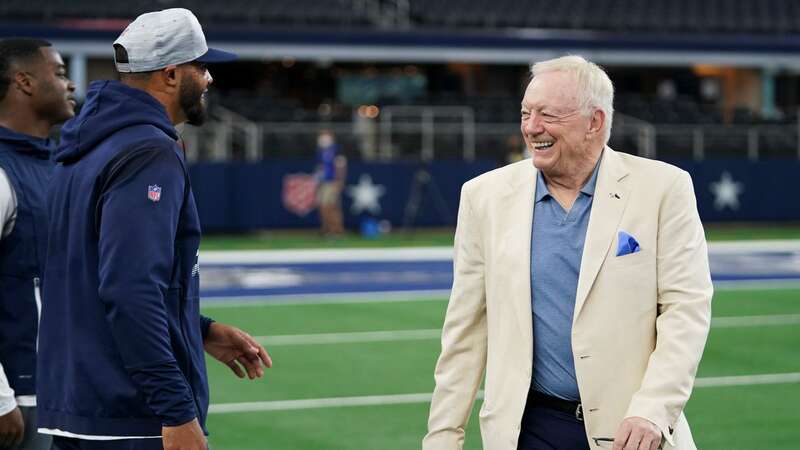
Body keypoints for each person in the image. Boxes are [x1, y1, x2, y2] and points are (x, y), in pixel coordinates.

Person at [423, 55, 712, 450]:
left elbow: (686, 310)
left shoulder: (664, 189)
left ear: (594, 122)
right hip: (529, 430)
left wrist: (654, 409)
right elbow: (465, 330)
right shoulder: (483, 197)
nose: (531, 127)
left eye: (547, 115)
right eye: (525, 113)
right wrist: (443, 436)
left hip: (631, 431)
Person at [36, 9, 272, 450]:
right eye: (200, 67)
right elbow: (130, 289)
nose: (208, 79)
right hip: (129, 415)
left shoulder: (86, 143)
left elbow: (90, 274)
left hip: (80, 405)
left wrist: (197, 329)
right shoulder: (147, 150)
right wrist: (176, 410)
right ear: (169, 74)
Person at [0, 37, 76, 450]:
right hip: (18, 397)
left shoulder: (58, 164)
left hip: (62, 389)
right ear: (24, 82)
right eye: (60, 73)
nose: (71, 85)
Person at [315, 130, 346, 236]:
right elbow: (320, 168)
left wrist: (339, 181)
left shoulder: (336, 150)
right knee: (322, 206)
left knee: (331, 206)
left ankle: (337, 229)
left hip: (332, 182)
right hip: (323, 182)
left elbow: (341, 166)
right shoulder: (321, 151)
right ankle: (326, 228)